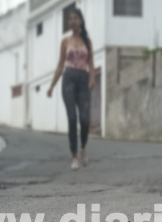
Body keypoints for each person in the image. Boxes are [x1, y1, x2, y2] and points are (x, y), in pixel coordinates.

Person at [47, 8, 95, 171]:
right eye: (70, 19)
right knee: (72, 117)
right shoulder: (65, 41)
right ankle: (74, 156)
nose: (72, 21)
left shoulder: (87, 41)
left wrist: (92, 79)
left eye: (75, 18)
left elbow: (91, 64)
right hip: (68, 79)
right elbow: (60, 65)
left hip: (83, 80)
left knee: (85, 119)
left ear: (81, 21)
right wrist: (51, 86)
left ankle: (83, 147)